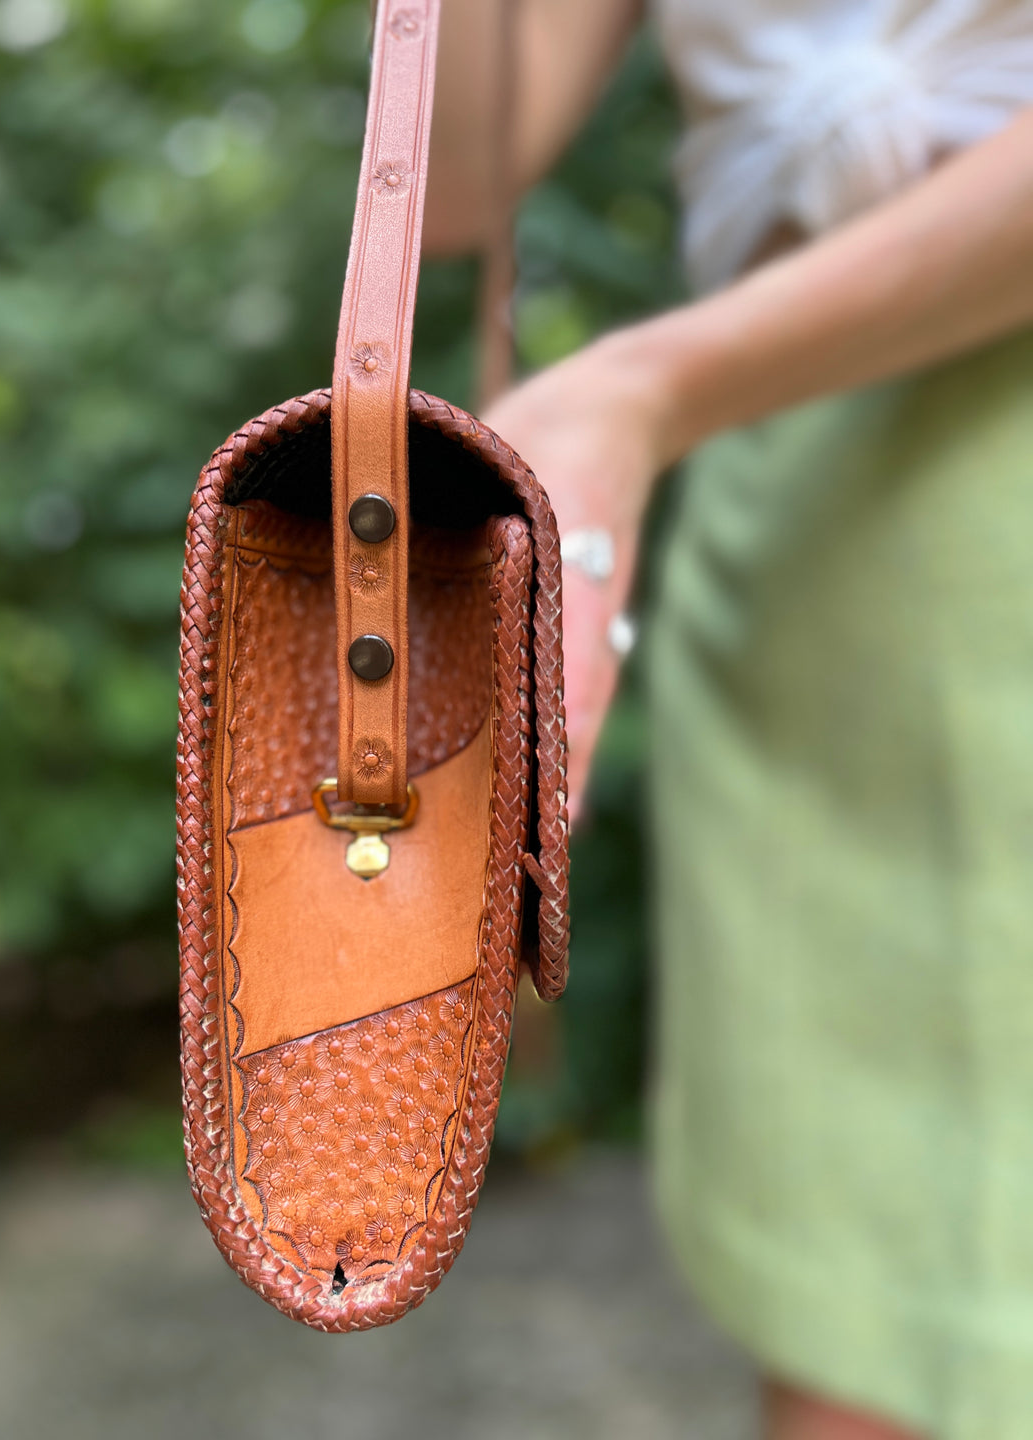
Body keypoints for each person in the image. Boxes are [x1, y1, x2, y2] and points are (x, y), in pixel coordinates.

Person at [425, 2, 1033, 1438]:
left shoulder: (646, 393)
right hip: (797, 523)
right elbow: (455, 176)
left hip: (736, 401)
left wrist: (646, 388)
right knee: (842, 1303)